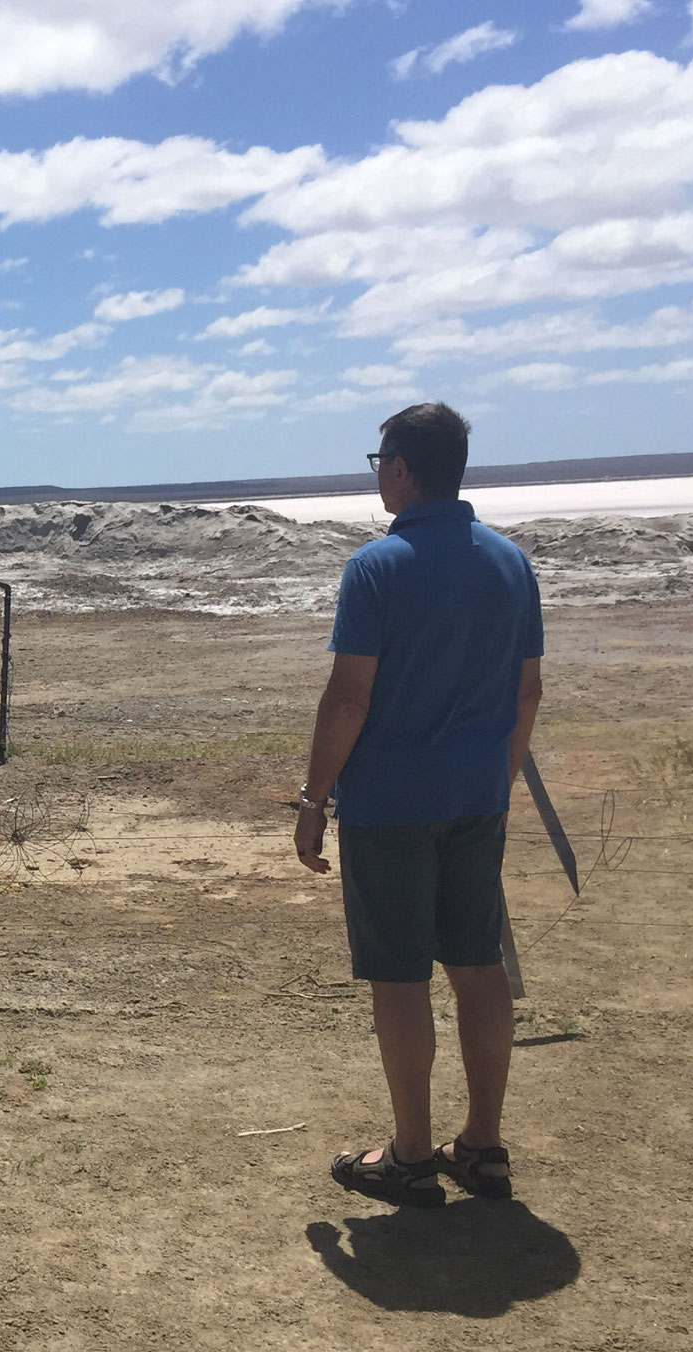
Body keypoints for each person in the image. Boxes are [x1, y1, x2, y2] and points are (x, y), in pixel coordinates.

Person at [294, 402, 544, 1208]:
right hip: (476, 797)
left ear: (399, 468)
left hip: (392, 805)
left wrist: (312, 797)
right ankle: (483, 1144)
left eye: (379, 463)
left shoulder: (376, 566)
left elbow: (349, 697)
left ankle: (408, 1154)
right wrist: (497, 778)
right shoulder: (510, 563)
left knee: (398, 978)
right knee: (477, 966)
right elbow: (528, 689)